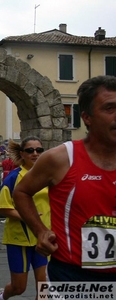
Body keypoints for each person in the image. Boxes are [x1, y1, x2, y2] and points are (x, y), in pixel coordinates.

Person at [14, 75, 116, 282]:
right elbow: (21, 192)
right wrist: (40, 231)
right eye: (109, 108)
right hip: (71, 276)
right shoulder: (59, 158)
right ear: (87, 117)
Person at [0, 137, 50, 300]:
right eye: (30, 150)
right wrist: (27, 217)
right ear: (22, 154)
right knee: (19, 287)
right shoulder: (13, 177)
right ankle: (3, 296)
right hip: (19, 239)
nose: (35, 153)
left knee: (44, 290)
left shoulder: (49, 175)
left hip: (43, 237)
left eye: (39, 150)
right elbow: (2, 207)